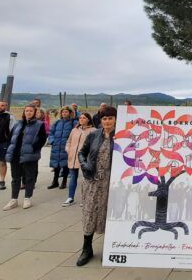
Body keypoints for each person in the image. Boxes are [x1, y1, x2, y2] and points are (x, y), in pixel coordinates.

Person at [76, 106, 118, 266]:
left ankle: (110, 247)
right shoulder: (93, 135)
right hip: (93, 181)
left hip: (111, 182)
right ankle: (87, 248)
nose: (107, 121)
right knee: (90, 212)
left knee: (108, 213)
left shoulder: (121, 137)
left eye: (110, 118)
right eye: (104, 118)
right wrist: (85, 165)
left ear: (115, 119)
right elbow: (81, 152)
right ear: (100, 120)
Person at [4, 105, 47, 210]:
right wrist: (9, 148)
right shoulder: (18, 123)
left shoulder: (39, 124)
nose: (28, 112)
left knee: (29, 177)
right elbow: (10, 138)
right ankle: (13, 199)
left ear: (35, 112)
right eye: (26, 111)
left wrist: (33, 148)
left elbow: (42, 139)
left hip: (29, 155)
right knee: (15, 178)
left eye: (31, 111)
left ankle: (27, 198)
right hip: (15, 154)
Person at [63, 112, 95, 206]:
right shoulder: (74, 130)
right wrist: (68, 149)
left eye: (84, 118)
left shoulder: (93, 131)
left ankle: (85, 198)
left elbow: (94, 145)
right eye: (80, 118)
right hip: (73, 157)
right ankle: (70, 198)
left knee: (86, 179)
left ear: (88, 119)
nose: (81, 119)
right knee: (73, 178)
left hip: (85, 158)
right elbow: (68, 141)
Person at [47, 106, 78, 190]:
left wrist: (71, 144)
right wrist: (52, 141)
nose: (64, 113)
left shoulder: (74, 123)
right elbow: (51, 133)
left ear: (70, 113)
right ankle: (55, 181)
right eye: (63, 112)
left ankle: (64, 182)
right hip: (56, 146)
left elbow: (76, 134)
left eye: (66, 112)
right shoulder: (57, 122)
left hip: (67, 147)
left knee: (65, 165)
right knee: (56, 165)